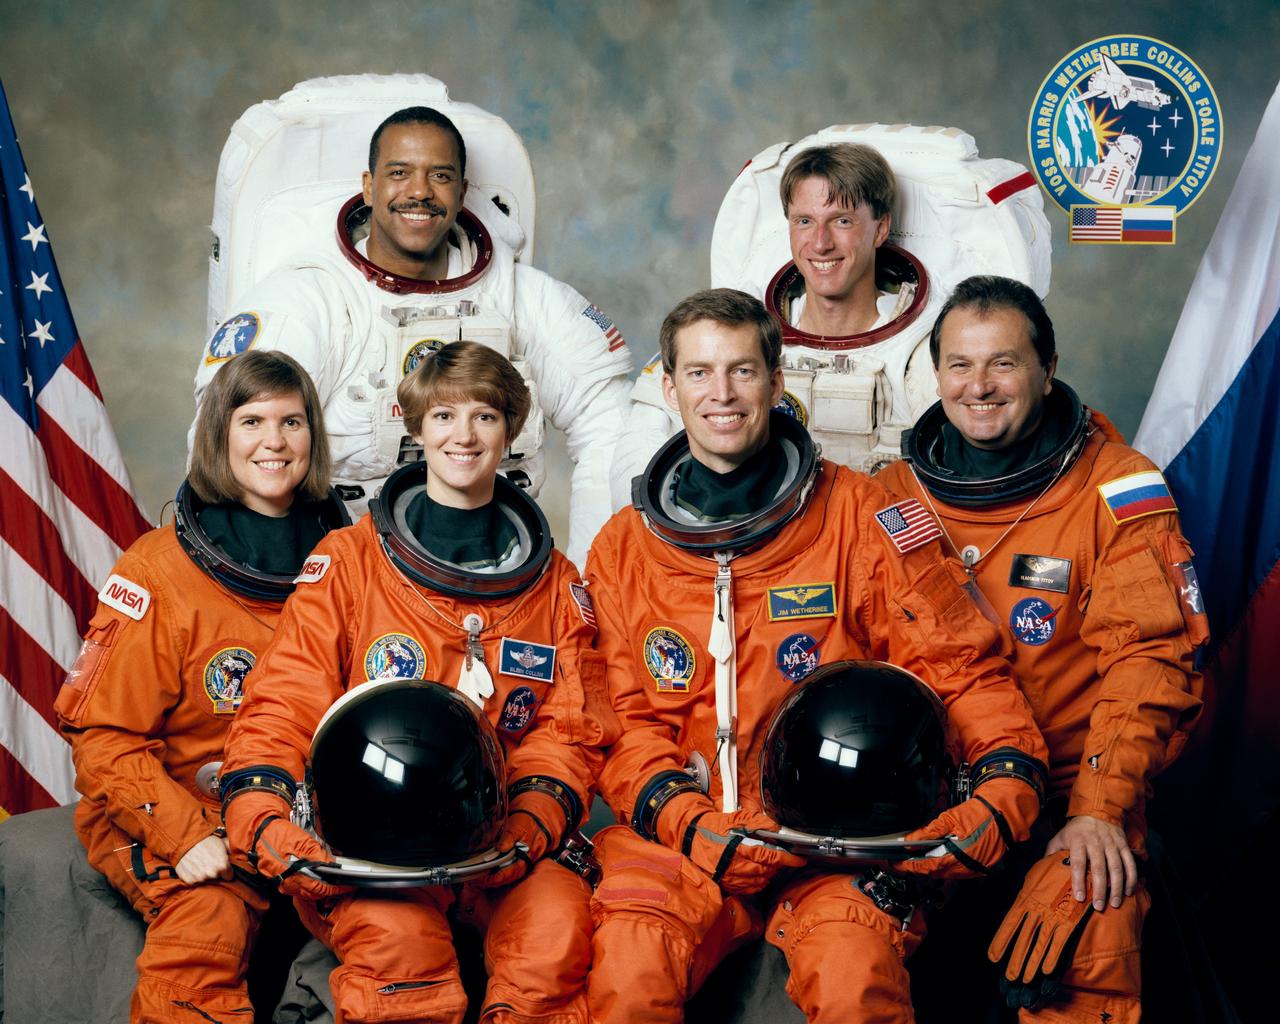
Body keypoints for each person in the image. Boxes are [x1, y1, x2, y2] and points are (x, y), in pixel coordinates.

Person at [584, 288, 1050, 1023]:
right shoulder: (622, 550)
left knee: (852, 975)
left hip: (841, 841)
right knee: (630, 970)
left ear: (776, 382)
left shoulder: (861, 516)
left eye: (742, 371)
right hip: (688, 838)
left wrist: (1004, 782)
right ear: (670, 389)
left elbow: (957, 667)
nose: (722, 394)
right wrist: (687, 820)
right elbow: (622, 724)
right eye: (700, 373)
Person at [218, 341, 617, 1024]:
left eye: (485, 417)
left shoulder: (554, 584)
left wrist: (530, 821)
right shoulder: (350, 562)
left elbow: (570, 731)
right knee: (400, 950)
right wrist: (262, 814)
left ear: (511, 432)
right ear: (415, 427)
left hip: (500, 844)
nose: (464, 436)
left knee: (555, 934)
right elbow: (284, 702)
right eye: (444, 416)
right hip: (370, 850)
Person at [877, 275, 1205, 1023]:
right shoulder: (893, 493)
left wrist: (1099, 811)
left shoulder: (1117, 487)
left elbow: (1150, 661)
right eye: (960, 365)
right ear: (937, 375)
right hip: (932, 802)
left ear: (1046, 369)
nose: (979, 386)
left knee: (1089, 932)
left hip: (1066, 796)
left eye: (1004, 363)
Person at [193, 105, 633, 567]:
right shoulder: (309, 300)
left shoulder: (523, 299)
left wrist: (594, 575)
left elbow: (610, 423)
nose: (420, 191)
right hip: (339, 571)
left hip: (496, 567)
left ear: (462, 192)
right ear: (369, 187)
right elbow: (227, 440)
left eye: (439, 176)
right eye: (399, 173)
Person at [55, 350, 344, 1023]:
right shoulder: (157, 570)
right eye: (252, 422)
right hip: (184, 805)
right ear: (219, 434)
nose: (275, 442)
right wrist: (185, 837)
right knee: (206, 928)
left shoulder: (349, 558)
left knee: (397, 928)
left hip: (303, 817)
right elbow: (102, 738)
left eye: (292, 422)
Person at [611, 142, 937, 504]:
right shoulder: (737, 328)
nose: (820, 243)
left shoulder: (920, 348)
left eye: (842, 221)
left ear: (880, 229)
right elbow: (638, 455)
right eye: (804, 221)